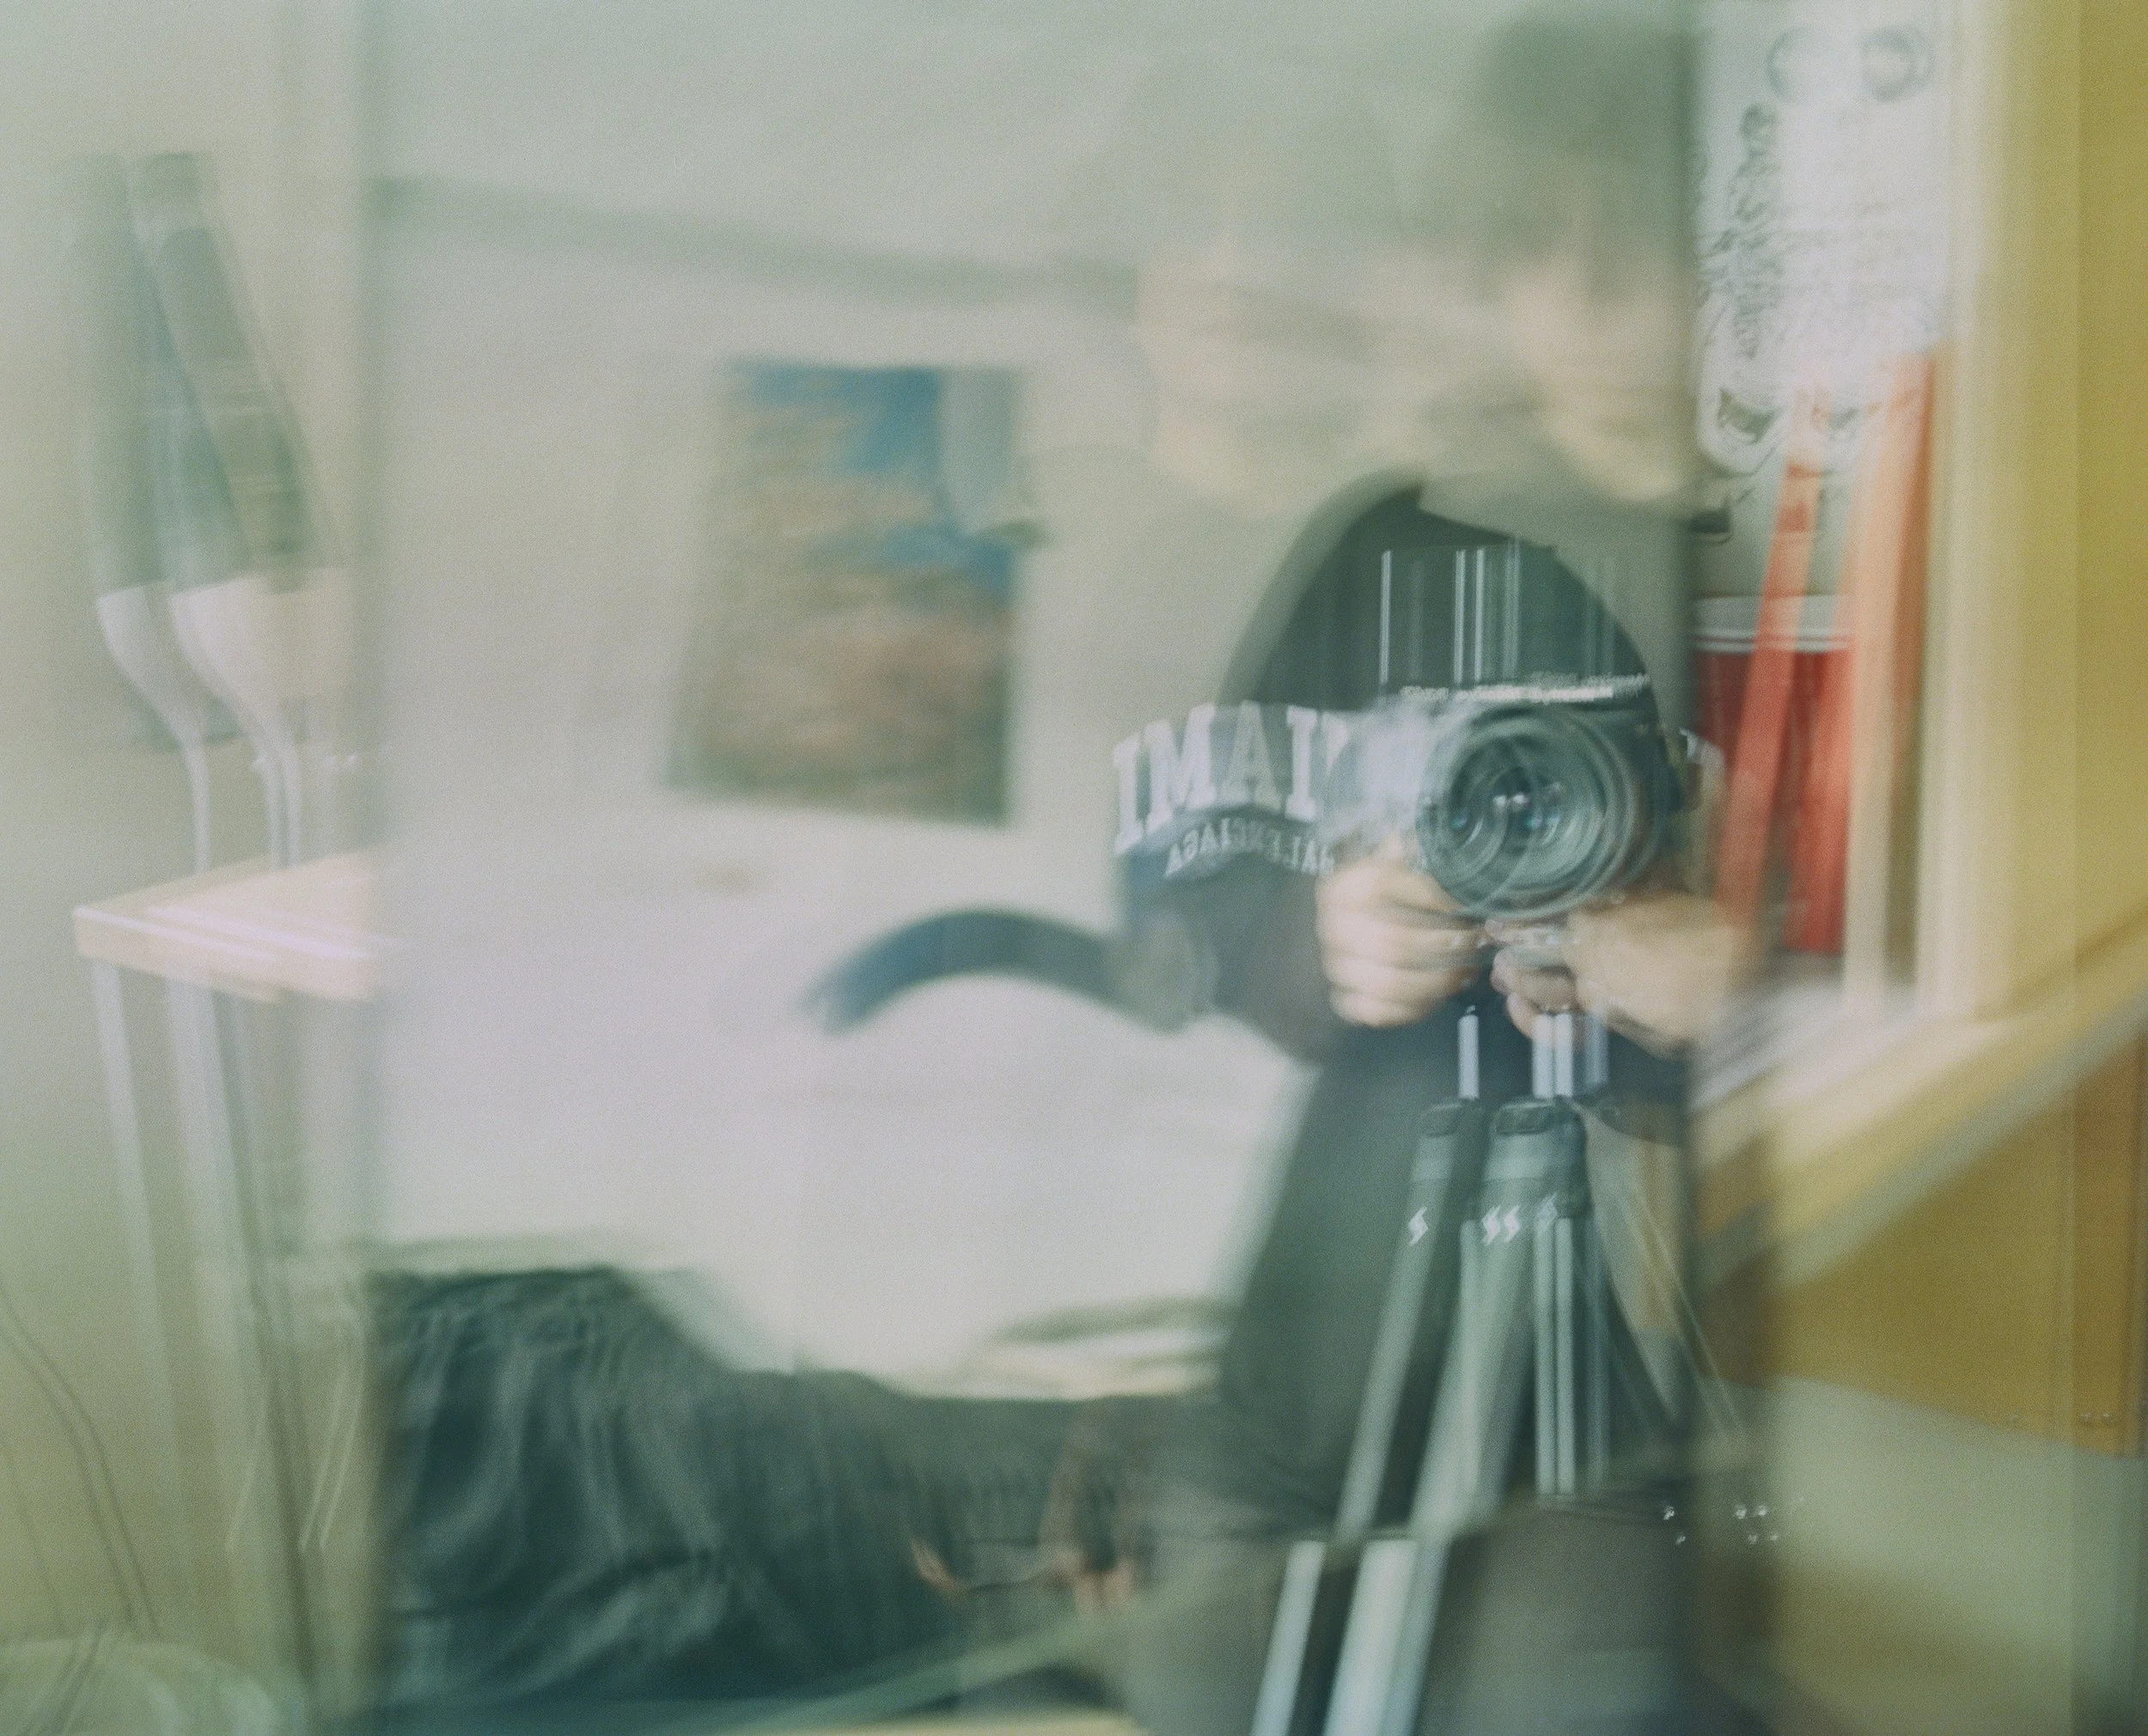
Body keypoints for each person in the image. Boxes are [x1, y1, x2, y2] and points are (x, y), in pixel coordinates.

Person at [1114, 14, 1757, 1734]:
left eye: (1627, 248)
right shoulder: (1388, 547)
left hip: (1621, 1398)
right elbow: (1173, 912)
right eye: (1527, 246)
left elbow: (1952, 1006)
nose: (1577, 301)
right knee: (1196, 1681)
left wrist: (1739, 990)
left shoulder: (1770, 572)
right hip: (1307, 1351)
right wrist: (1317, 936)